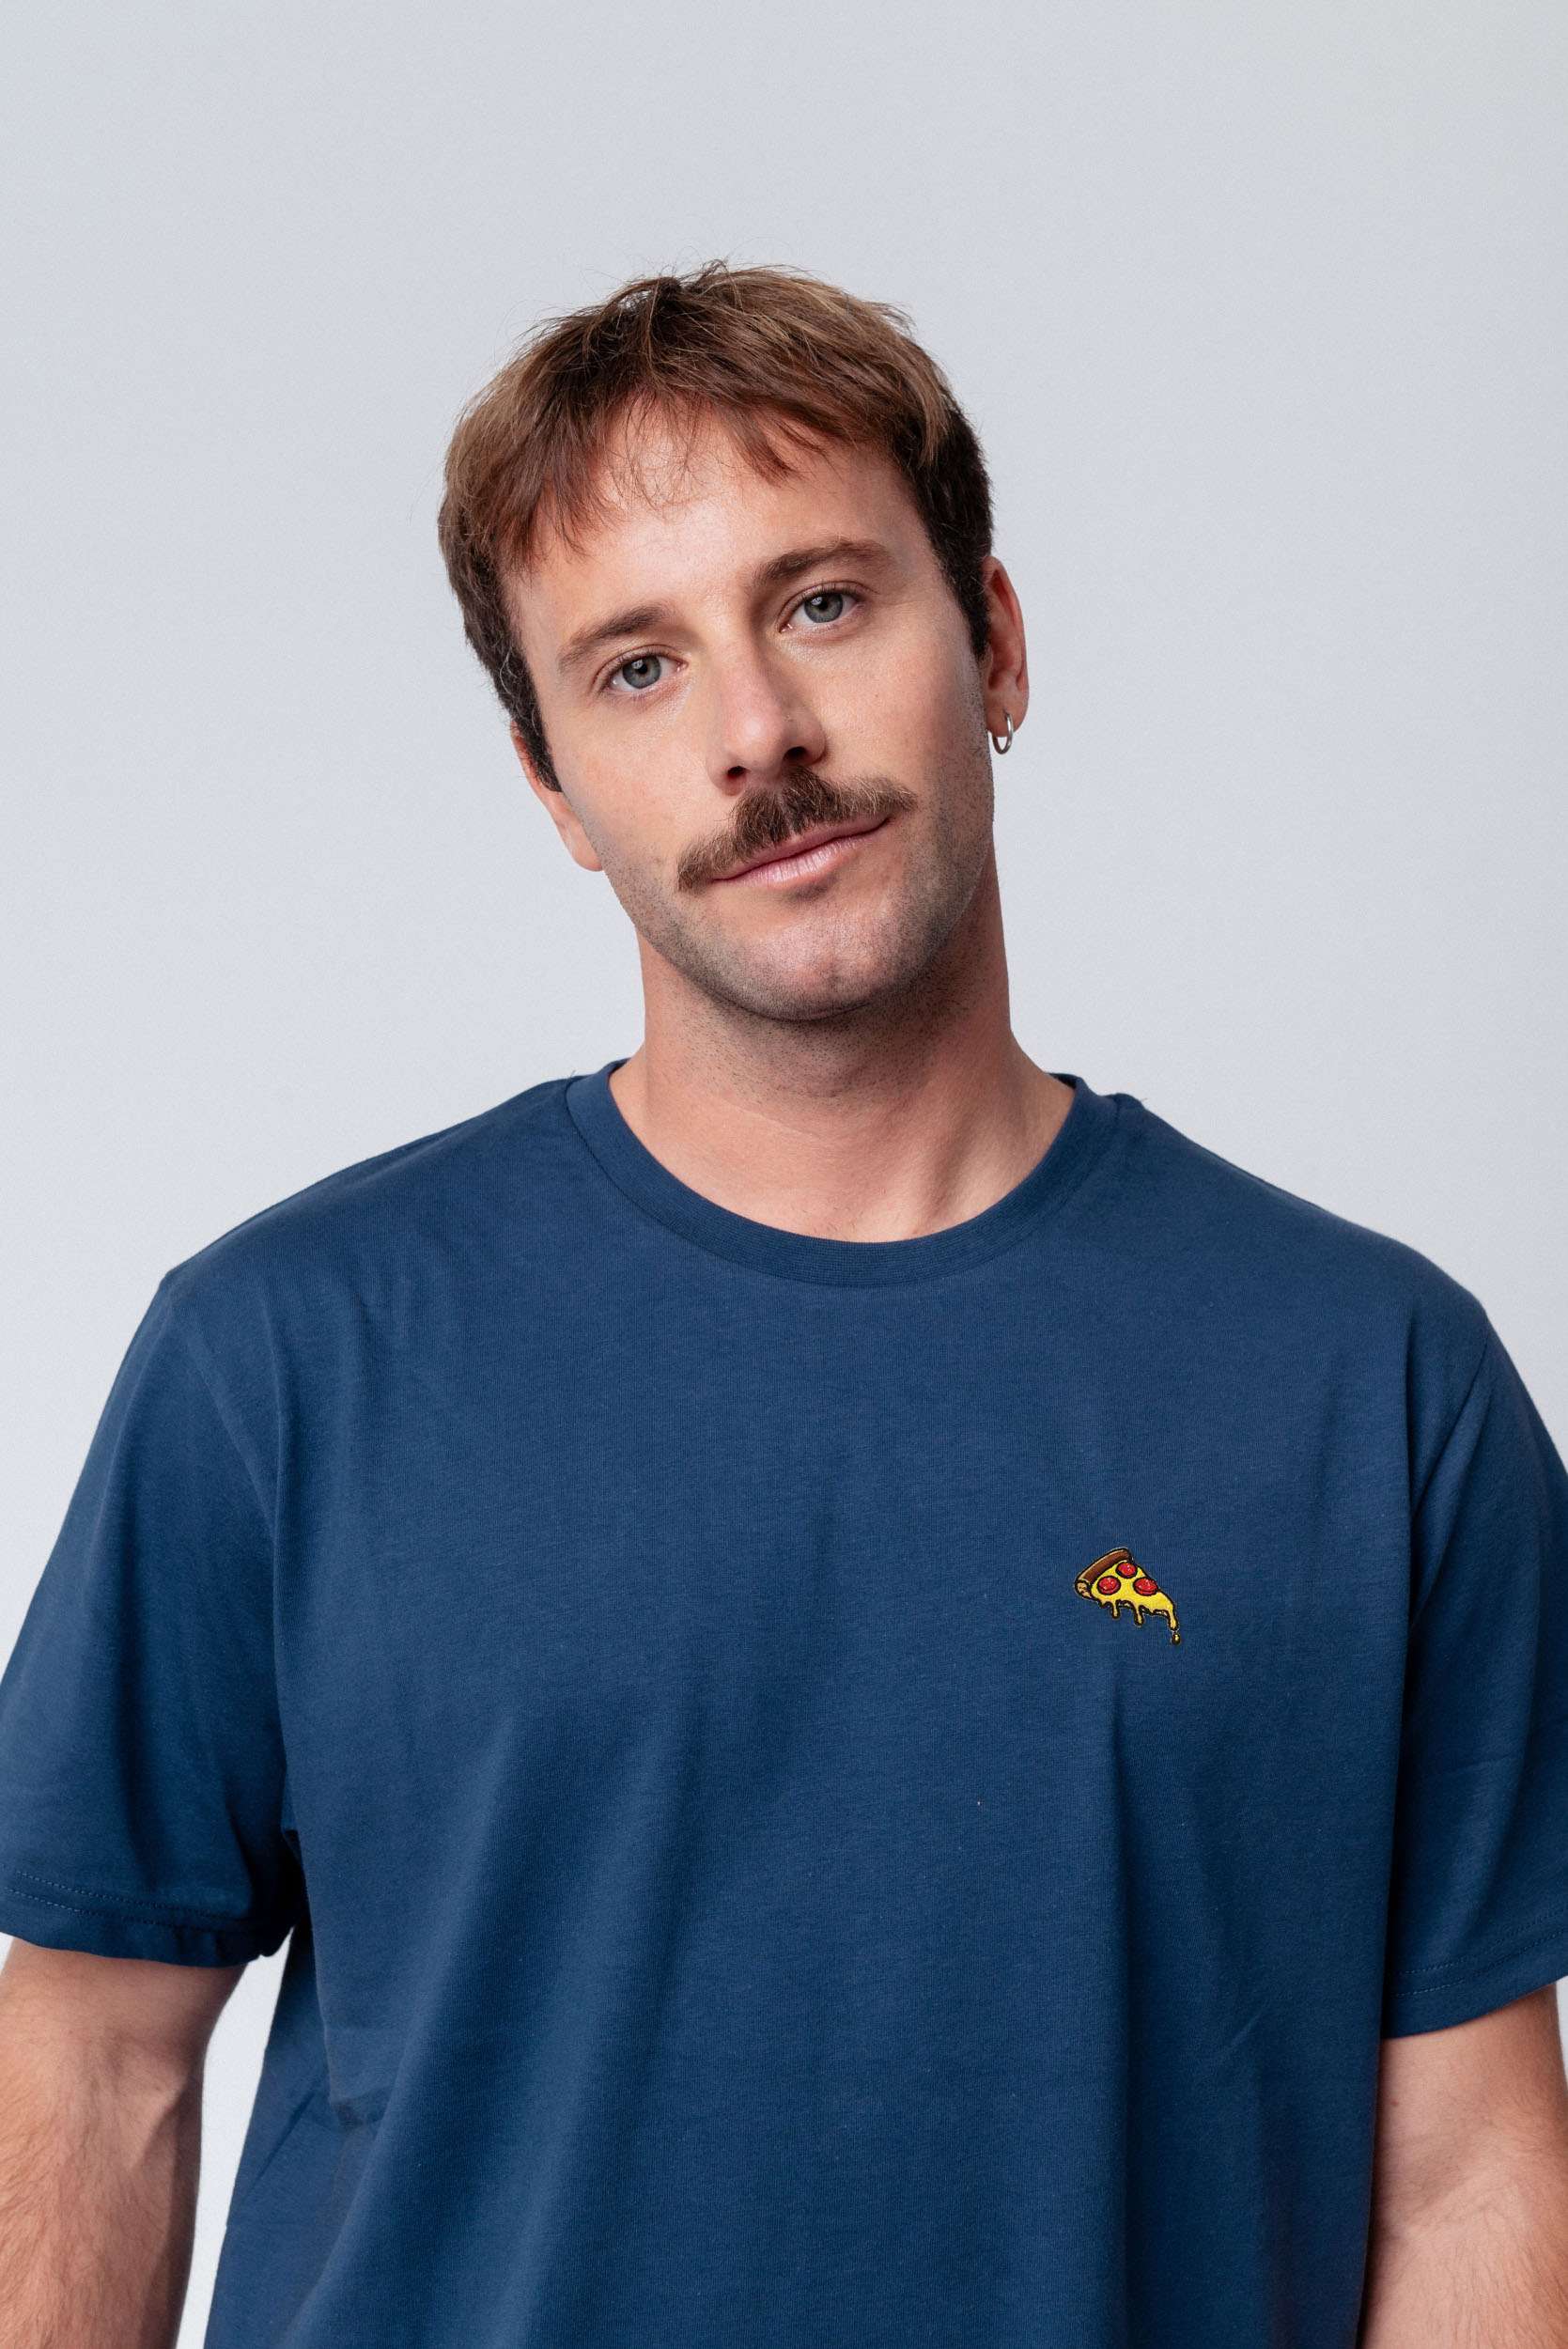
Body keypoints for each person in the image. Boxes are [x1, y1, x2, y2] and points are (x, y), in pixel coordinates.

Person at [1, 259, 1565, 2349]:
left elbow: (1469, 2173)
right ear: (552, 785)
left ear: (993, 640)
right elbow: (91, 2063)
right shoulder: (283, 1360)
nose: (758, 735)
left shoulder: (1372, 1388)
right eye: (637, 668)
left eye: (822, 602)